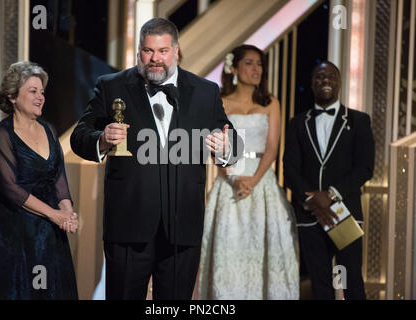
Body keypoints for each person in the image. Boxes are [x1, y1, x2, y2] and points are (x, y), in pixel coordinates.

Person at [70, 18, 242, 300]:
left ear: (175, 50)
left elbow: (231, 140)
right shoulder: (112, 86)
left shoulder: (205, 91)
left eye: (162, 51)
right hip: (128, 224)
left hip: (182, 227)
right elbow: (80, 136)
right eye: (148, 51)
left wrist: (225, 148)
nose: (155, 59)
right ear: (139, 51)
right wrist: (101, 139)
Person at [0, 62, 79, 300]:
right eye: (33, 91)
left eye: (42, 92)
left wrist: (67, 211)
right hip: (11, 231)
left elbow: (58, 177)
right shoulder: (1, 135)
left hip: (47, 232)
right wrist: (54, 214)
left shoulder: (49, 130)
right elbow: (10, 189)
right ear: (12, 96)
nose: (40, 97)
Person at [197, 45, 299, 300]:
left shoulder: (270, 102)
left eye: (260, 64)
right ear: (234, 68)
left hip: (261, 181)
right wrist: (232, 176)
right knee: (228, 249)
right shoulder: (219, 101)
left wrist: (253, 180)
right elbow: (214, 145)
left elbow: (272, 147)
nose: (256, 69)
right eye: (250, 63)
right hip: (228, 180)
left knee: (264, 251)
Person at [283, 61, 375, 300]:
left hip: (344, 212)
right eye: (319, 77)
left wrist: (330, 195)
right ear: (311, 84)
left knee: (352, 282)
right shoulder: (297, 123)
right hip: (309, 215)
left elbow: (365, 168)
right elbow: (290, 170)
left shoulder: (359, 121)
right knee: (319, 284)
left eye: (331, 77)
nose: (325, 81)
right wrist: (313, 199)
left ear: (339, 82)